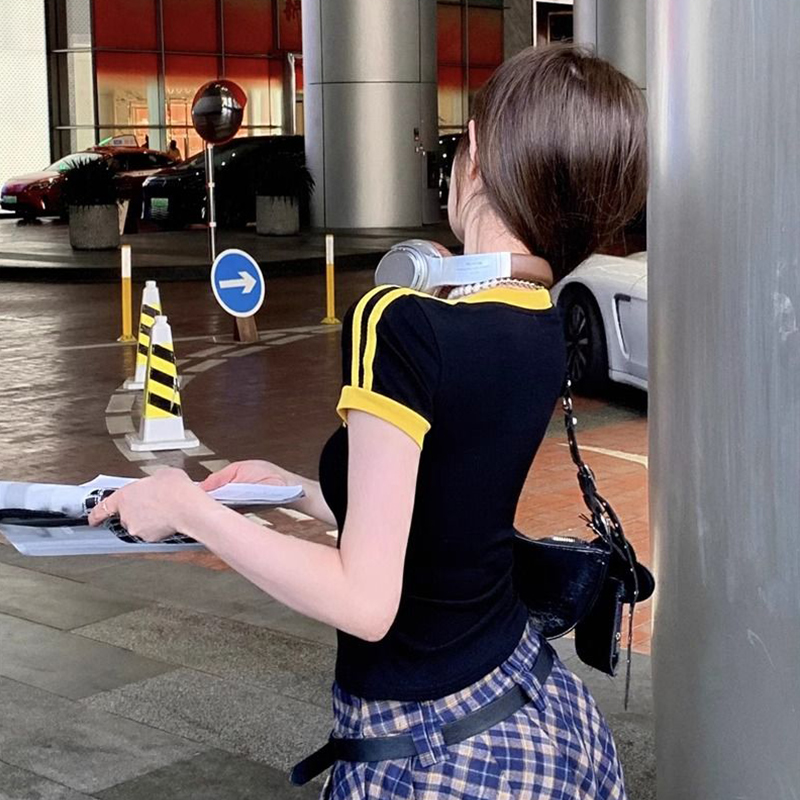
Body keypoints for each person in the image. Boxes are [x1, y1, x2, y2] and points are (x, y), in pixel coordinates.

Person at [89, 44, 647, 799]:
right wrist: (294, 490)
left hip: (432, 755)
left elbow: (364, 602)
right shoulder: (539, 321)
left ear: (477, 153)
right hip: (533, 707)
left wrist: (187, 508)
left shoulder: (403, 320)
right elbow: (444, 516)